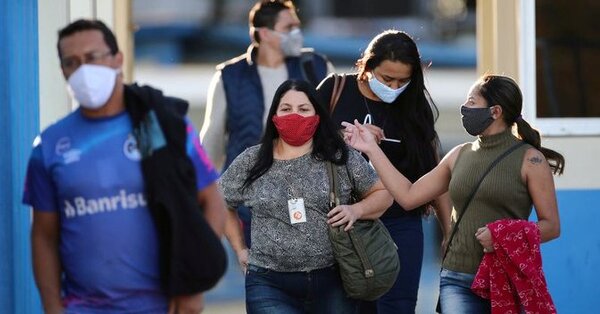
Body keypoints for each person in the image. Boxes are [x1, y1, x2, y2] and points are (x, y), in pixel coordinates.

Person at [23, 19, 227, 313]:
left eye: (93, 57)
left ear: (118, 59)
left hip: (162, 305)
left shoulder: (155, 127)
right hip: (83, 307)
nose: (83, 70)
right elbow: (43, 234)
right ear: (63, 71)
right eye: (72, 62)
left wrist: (192, 286)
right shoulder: (50, 145)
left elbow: (211, 202)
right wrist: (52, 307)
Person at [344, 74, 564, 314]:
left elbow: (551, 226)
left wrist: (503, 236)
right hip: (456, 278)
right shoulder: (460, 154)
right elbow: (408, 196)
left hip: (505, 278)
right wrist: (371, 149)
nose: (464, 108)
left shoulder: (531, 160)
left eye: (471, 102)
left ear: (495, 111)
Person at [219, 79, 393, 314]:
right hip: (268, 282)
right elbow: (221, 201)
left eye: (303, 109)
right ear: (274, 116)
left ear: (317, 116)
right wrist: (240, 249)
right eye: (286, 109)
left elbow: (383, 194)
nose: (295, 116)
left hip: (334, 279)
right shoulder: (252, 160)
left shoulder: (339, 156)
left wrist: (356, 210)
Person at [316, 29, 452, 314]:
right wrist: (346, 138)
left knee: (399, 305)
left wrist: (449, 230)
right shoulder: (335, 89)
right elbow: (300, 145)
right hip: (343, 222)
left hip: (400, 222)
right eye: (386, 78)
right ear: (366, 67)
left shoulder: (414, 105)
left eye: (403, 80)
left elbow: (433, 171)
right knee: (347, 305)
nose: (394, 86)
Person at [200, 0, 333, 247]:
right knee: (259, 266)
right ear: (264, 33)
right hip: (252, 196)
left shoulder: (316, 66)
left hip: (310, 188)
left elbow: (334, 125)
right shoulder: (230, 76)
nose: (297, 32)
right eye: (289, 26)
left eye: (297, 25)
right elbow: (212, 139)